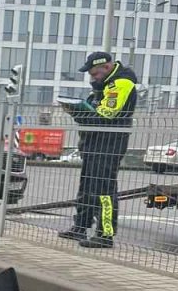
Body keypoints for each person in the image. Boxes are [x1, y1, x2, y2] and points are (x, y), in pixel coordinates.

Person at [57, 51, 138, 248]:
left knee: (105, 191)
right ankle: (80, 227)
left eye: (94, 74)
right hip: (93, 145)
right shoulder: (102, 87)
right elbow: (92, 111)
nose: (92, 78)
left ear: (107, 67)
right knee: (87, 187)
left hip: (108, 146)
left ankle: (105, 234)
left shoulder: (121, 84)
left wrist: (76, 112)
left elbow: (103, 117)